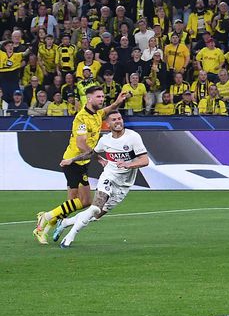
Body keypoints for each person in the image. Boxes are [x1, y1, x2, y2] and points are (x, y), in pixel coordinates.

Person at [34, 85, 129, 244]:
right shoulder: (81, 118)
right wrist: (99, 158)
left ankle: (46, 223)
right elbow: (81, 143)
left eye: (102, 96)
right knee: (85, 201)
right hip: (73, 161)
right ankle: (46, 218)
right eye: (98, 97)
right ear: (89, 98)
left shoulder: (97, 113)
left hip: (82, 162)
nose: (102, 99)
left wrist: (118, 101)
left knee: (71, 203)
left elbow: (109, 109)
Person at [53, 110, 149, 248]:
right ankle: (69, 237)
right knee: (94, 208)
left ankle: (65, 223)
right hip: (108, 177)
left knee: (95, 216)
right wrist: (72, 160)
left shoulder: (133, 137)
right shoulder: (105, 140)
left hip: (123, 185)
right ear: (107, 124)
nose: (118, 121)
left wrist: (129, 164)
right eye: (114, 119)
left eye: (120, 118)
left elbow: (145, 160)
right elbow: (91, 154)